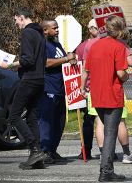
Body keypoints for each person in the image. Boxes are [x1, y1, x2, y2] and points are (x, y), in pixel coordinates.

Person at [81, 15, 130, 182]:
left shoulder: (94, 46)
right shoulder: (119, 47)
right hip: (112, 94)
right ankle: (106, 171)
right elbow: (121, 73)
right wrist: (127, 77)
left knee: (105, 129)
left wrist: (82, 88)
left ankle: (107, 169)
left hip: (96, 94)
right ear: (119, 29)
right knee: (110, 132)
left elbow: (85, 70)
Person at [0, 8, 47, 169]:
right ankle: (38, 156)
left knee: (13, 116)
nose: (16, 23)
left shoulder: (28, 33)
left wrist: (9, 65)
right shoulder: (40, 33)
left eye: (16, 20)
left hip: (29, 79)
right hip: (40, 79)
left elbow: (27, 60)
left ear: (21, 18)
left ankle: (34, 149)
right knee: (31, 117)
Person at [39, 20, 76, 164]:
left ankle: (53, 150)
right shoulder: (43, 45)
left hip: (60, 89)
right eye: (54, 28)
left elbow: (62, 59)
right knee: (47, 122)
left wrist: (70, 59)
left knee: (59, 122)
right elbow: (47, 62)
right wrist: (66, 58)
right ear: (45, 30)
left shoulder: (56, 44)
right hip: (48, 89)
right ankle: (44, 151)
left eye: (57, 27)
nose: (57, 30)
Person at [75, 19, 99, 160]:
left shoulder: (106, 43)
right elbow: (79, 67)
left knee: (104, 122)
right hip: (89, 89)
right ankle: (86, 150)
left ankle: (108, 150)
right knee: (88, 121)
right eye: (96, 28)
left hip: (100, 87)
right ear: (90, 30)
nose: (100, 31)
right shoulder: (82, 47)